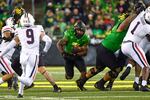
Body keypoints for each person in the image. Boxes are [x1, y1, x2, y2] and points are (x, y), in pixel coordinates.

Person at [75, 2, 145, 91]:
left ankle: (81, 81)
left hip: (104, 47)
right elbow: (122, 27)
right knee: (116, 69)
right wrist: (135, 13)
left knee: (98, 68)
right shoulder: (127, 20)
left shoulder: (126, 18)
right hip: (106, 49)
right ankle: (100, 84)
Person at [5, 6, 62, 92]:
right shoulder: (23, 22)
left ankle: (55, 86)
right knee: (15, 64)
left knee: (41, 69)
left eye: (15, 15)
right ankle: (27, 81)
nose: (14, 17)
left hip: (33, 49)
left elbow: (18, 37)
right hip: (26, 50)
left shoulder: (21, 24)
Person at [0, 13, 52, 98]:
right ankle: (16, 78)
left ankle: (20, 93)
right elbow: (49, 41)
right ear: (32, 20)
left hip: (23, 56)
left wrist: (1, 54)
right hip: (33, 55)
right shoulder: (38, 28)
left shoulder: (19, 30)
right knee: (29, 81)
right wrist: (45, 50)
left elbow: (11, 45)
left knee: (24, 73)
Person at [121, 6, 150, 91]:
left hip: (124, 44)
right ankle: (144, 85)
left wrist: (137, 8)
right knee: (146, 66)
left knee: (138, 60)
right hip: (132, 44)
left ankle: (130, 68)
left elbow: (136, 10)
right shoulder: (148, 28)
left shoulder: (140, 14)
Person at [57, 21, 90, 91]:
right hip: (68, 56)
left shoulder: (85, 38)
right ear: (75, 29)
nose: (80, 32)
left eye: (82, 30)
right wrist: (62, 52)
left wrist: (79, 51)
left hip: (77, 57)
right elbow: (59, 44)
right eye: (79, 30)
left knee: (84, 73)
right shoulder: (69, 34)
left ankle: (80, 85)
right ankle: (67, 74)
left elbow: (85, 52)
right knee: (69, 76)